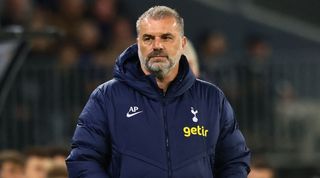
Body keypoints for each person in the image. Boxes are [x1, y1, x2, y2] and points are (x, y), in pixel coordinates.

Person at [66, 5, 250, 178]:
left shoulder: (211, 99)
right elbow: (83, 159)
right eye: (148, 38)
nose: (157, 45)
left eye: (166, 37)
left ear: (182, 43)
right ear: (138, 43)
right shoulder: (107, 97)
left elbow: (235, 160)